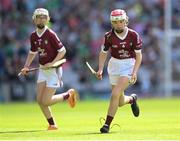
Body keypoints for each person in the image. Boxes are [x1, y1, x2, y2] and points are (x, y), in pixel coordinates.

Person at [20, 8, 78, 130]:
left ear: (48, 19)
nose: (41, 19)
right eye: (39, 17)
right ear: (34, 19)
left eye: (44, 17)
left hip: (53, 71)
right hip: (42, 70)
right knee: (40, 100)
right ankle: (52, 124)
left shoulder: (50, 34)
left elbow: (62, 51)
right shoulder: (33, 36)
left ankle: (67, 95)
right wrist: (26, 66)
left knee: (46, 101)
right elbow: (32, 52)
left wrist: (52, 63)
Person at [96, 9, 142, 133]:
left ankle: (106, 125)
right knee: (120, 101)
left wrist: (135, 71)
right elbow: (103, 53)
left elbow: (139, 56)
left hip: (128, 65)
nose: (119, 24)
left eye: (121, 21)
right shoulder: (108, 36)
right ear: (112, 23)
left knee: (115, 94)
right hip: (114, 65)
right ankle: (132, 99)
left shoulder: (133, 35)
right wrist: (100, 69)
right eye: (116, 22)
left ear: (125, 21)